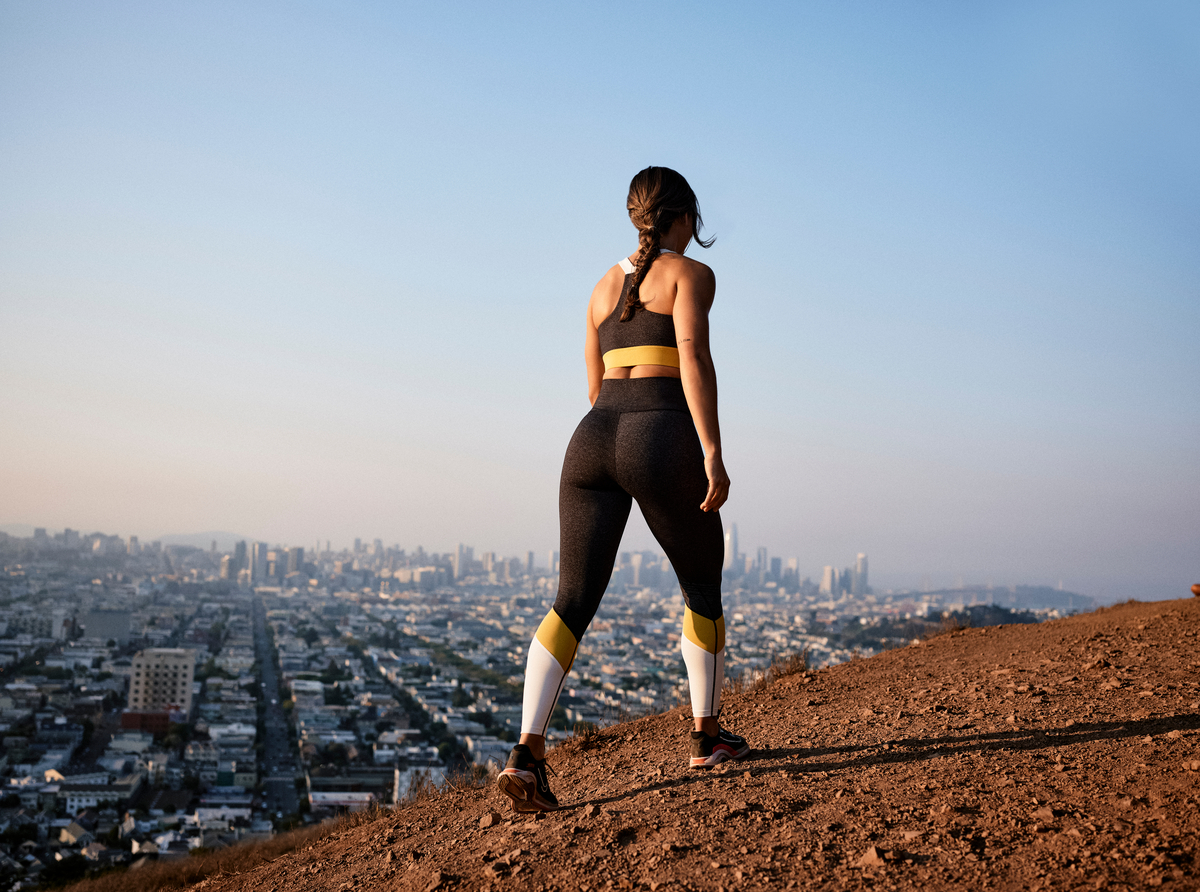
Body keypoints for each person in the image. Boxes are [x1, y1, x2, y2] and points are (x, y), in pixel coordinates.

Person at [497, 167, 750, 813]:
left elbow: (592, 385)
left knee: (571, 601)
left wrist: (621, 432)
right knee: (702, 585)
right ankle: (707, 737)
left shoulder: (600, 286)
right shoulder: (690, 276)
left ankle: (526, 755)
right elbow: (692, 356)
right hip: (659, 434)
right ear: (684, 216)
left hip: (591, 439)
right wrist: (712, 452)